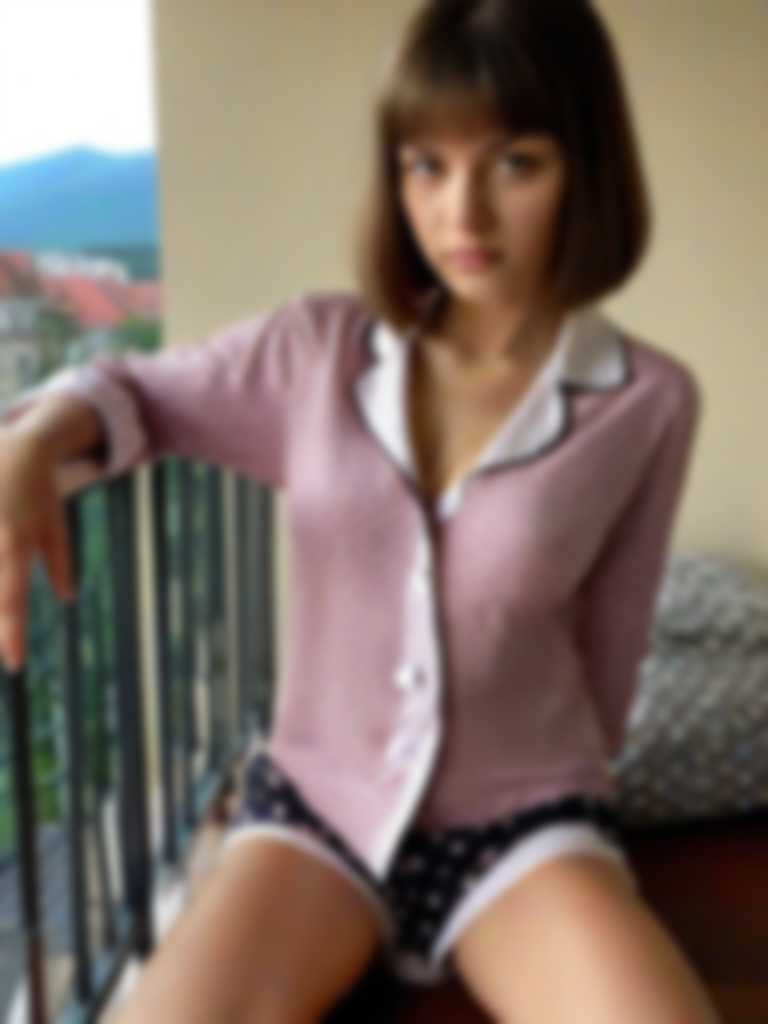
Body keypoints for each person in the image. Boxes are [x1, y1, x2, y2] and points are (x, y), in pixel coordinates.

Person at [0, 1, 722, 1022]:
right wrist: (33, 436)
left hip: (525, 827)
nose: (462, 214)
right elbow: (136, 392)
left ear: (587, 170)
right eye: (426, 165)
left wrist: (577, 844)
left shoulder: (649, 401)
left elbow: (612, 651)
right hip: (315, 812)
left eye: (515, 163)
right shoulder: (315, 350)